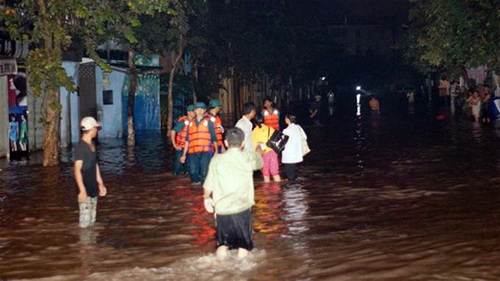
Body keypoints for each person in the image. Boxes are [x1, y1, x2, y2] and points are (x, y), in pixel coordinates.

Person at [203, 127, 263, 259]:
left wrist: (206, 198)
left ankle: (220, 268)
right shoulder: (247, 157)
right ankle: (241, 272)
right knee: (243, 246)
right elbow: (259, 162)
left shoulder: (216, 160)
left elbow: (209, 185)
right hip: (242, 208)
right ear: (242, 143)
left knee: (222, 244)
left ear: (225, 142)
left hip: (222, 209)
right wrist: (258, 148)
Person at [74, 117, 107, 228]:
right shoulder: (80, 147)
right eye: (96, 128)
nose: (97, 130)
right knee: (84, 225)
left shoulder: (92, 145)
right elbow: (77, 170)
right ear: (91, 129)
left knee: (92, 222)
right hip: (85, 189)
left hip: (93, 188)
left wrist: (100, 183)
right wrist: (82, 190)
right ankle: (84, 244)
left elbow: (95, 164)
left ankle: (91, 244)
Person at [180, 102, 218, 185]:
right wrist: (184, 154)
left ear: (204, 111)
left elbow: (214, 137)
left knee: (205, 172)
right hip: (193, 151)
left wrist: (216, 151)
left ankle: (204, 191)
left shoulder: (209, 122)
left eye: (201, 109)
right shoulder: (190, 123)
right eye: (197, 109)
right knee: (193, 173)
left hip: (206, 151)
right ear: (195, 111)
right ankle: (195, 192)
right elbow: (187, 140)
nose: (199, 110)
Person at [252, 114, 281, 183]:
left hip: (263, 154)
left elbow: (254, 146)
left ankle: (267, 191)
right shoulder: (270, 129)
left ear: (255, 122)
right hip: (273, 152)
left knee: (266, 175)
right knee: (275, 173)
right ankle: (278, 192)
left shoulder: (254, 132)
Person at [170, 105, 195, 175]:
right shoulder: (183, 122)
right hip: (181, 148)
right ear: (188, 112)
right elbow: (173, 131)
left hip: (189, 148)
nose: (194, 113)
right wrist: (174, 145)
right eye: (193, 111)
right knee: (178, 167)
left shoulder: (194, 122)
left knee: (188, 168)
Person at [281, 114, 307, 182]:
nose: (285, 120)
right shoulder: (298, 127)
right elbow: (305, 137)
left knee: (290, 174)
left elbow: (282, 142)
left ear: (288, 120)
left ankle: (291, 189)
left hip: (288, 155)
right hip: (296, 153)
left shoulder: (286, 130)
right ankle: (296, 188)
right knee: (294, 172)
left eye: (285, 118)